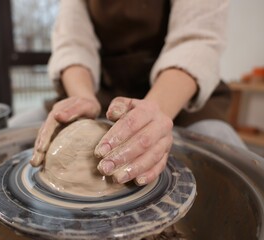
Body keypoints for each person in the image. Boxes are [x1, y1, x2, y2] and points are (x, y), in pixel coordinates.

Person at [30, 0, 238, 186]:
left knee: (223, 148)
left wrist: (155, 113)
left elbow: (196, 40)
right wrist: (82, 96)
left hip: (177, 87)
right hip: (104, 89)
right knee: (22, 126)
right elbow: (73, 42)